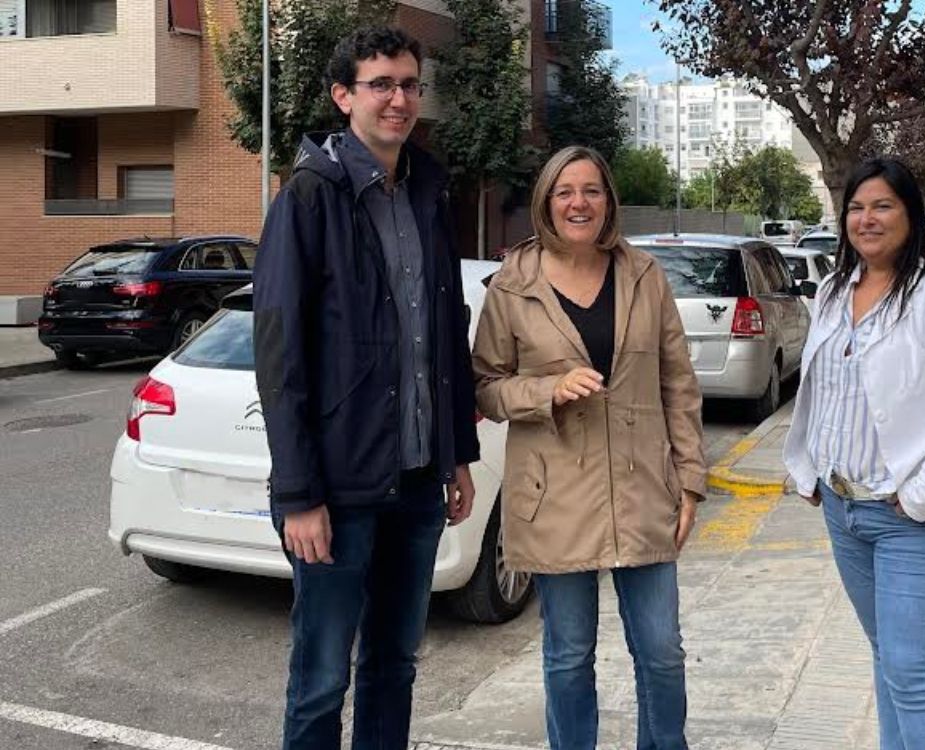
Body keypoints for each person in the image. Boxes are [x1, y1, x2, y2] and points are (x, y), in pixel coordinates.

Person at [253, 26, 479, 749]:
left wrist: (459, 454)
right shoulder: (309, 199)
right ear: (344, 96)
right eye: (381, 84)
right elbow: (281, 357)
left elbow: (446, 332)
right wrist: (299, 495)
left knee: (395, 665)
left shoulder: (428, 191)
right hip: (337, 491)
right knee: (321, 679)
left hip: (416, 482)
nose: (400, 99)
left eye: (410, 84)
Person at [472, 145, 707, 750]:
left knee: (661, 652)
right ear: (547, 202)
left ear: (609, 201)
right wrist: (548, 389)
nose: (579, 203)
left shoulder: (644, 275)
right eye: (565, 192)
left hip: (642, 488)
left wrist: (691, 480)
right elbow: (487, 387)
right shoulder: (512, 284)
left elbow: (677, 384)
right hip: (555, 498)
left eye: (592, 190)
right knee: (569, 656)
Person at [781, 158, 925, 750]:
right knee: (889, 660)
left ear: (911, 216)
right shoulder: (832, 290)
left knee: (914, 671)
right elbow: (821, 387)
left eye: (883, 206)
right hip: (845, 510)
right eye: (856, 206)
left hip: (921, 518)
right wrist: (806, 466)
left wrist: (924, 496)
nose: (866, 218)